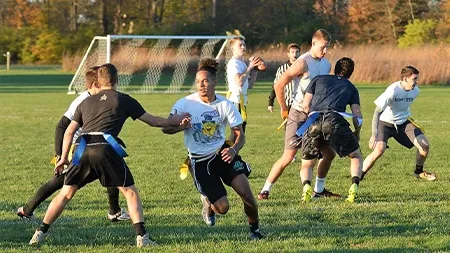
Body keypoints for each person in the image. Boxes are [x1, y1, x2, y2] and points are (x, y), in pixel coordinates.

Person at [28, 63, 190, 247]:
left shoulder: (85, 101)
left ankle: (39, 233)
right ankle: (142, 238)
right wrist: (176, 122)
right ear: (117, 79)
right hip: (105, 147)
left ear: (99, 80)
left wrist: (63, 157)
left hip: (82, 148)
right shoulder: (124, 100)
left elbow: (68, 132)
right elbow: (153, 121)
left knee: (66, 194)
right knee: (129, 192)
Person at [162, 58, 264, 240]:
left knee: (246, 193)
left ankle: (255, 230)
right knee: (223, 208)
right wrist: (180, 127)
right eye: (197, 82)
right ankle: (208, 202)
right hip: (200, 161)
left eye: (205, 81)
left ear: (214, 82)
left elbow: (240, 135)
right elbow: (166, 128)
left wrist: (233, 149)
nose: (201, 85)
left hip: (223, 154)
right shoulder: (184, 104)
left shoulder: (225, 105)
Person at [17, 66, 129, 222]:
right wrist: (59, 155)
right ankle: (26, 210)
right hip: (77, 147)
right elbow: (61, 126)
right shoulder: (83, 100)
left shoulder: (97, 99)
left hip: (89, 144)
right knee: (60, 182)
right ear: (95, 85)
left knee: (111, 168)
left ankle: (114, 211)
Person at [258, 29, 337, 201]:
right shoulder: (303, 62)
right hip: (298, 115)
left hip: (316, 116)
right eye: (323, 47)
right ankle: (265, 190)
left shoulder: (326, 65)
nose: (325, 51)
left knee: (329, 153)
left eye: (327, 47)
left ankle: (319, 190)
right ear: (313, 43)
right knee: (288, 157)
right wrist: (283, 108)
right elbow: (279, 84)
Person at [300, 57, 363, 203]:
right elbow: (357, 116)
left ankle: (308, 187)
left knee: (310, 162)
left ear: (335, 69)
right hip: (334, 122)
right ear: (350, 73)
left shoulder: (318, 79)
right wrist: (357, 133)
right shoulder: (351, 87)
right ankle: (354, 187)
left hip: (313, 121)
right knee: (356, 156)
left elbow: (305, 105)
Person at [361, 66, 435, 181]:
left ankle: (418, 172)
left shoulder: (415, 91)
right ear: (405, 79)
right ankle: (358, 176)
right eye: (414, 79)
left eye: (417, 79)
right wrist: (374, 135)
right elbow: (377, 113)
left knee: (424, 145)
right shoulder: (393, 90)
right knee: (379, 150)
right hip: (385, 124)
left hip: (404, 123)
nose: (416, 82)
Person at [226, 37, 261, 132]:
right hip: (235, 101)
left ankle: (228, 147)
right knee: (238, 135)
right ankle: (226, 147)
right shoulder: (233, 63)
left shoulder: (243, 64)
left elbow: (249, 85)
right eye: (240, 45)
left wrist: (255, 70)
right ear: (233, 48)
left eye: (244, 45)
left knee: (240, 134)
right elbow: (239, 81)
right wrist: (250, 67)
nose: (243, 47)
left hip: (241, 102)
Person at [267, 43, 301, 113]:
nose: (295, 54)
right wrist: (271, 103)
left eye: (297, 52)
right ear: (288, 54)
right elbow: (276, 86)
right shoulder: (282, 69)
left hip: (301, 105)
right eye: (292, 52)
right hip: (287, 104)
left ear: (299, 53)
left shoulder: (304, 67)